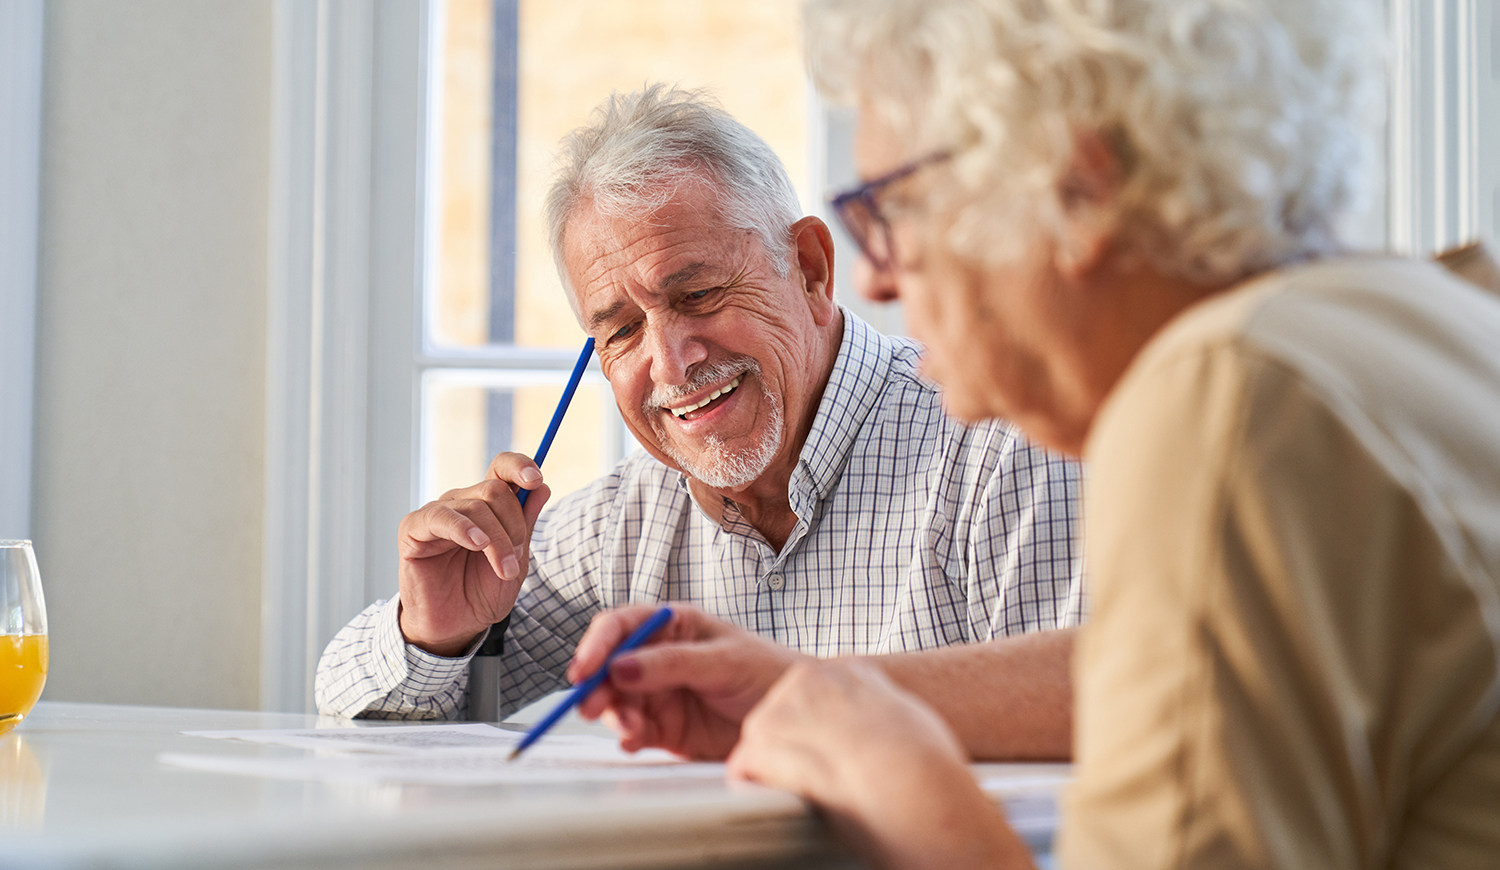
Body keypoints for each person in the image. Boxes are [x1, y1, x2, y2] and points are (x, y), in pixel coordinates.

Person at [571, 1, 1500, 867]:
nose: (879, 283)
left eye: (892, 212)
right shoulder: (1425, 318)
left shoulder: (1224, 395)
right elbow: (1188, 681)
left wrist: (898, 781)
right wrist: (814, 691)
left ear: (1075, 187)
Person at [315, 84, 1083, 759]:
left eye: (699, 295)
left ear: (811, 269)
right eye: (619, 331)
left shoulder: (1004, 453)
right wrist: (435, 633)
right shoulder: (627, 521)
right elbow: (347, 705)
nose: (672, 363)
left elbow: (1100, 730)